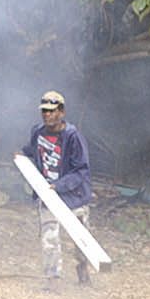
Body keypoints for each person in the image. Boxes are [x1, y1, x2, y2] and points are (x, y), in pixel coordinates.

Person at [19, 90, 94, 288]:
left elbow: (81, 171)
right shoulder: (38, 132)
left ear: (62, 112)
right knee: (49, 237)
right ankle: (53, 278)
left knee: (81, 240)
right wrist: (21, 156)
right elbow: (32, 151)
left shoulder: (72, 136)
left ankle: (83, 268)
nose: (47, 115)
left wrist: (59, 186)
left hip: (73, 197)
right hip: (47, 195)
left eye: (52, 111)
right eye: (44, 111)